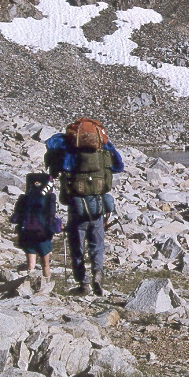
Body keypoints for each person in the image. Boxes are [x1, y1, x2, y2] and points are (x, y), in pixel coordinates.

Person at [45, 118, 123, 296]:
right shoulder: (104, 147)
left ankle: (83, 283)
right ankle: (98, 274)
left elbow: (52, 157)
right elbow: (119, 166)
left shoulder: (67, 147)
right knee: (97, 244)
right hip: (97, 205)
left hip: (76, 205)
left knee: (76, 246)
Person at [10, 173, 61, 288]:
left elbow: (16, 217)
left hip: (27, 234)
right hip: (42, 235)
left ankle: (29, 285)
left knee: (31, 265)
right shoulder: (49, 197)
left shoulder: (25, 198)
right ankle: (46, 285)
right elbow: (52, 216)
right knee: (45, 264)